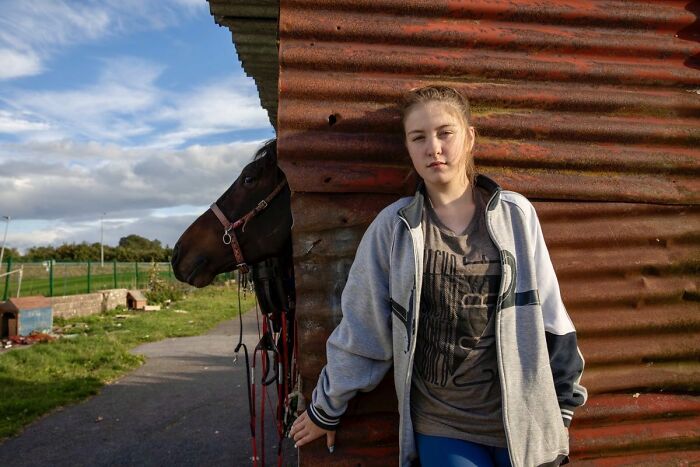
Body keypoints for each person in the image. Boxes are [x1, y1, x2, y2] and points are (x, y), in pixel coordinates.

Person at [290, 85, 587, 467]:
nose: (434, 147)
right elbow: (363, 329)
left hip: (525, 421)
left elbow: (550, 316)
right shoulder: (394, 229)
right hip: (444, 426)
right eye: (419, 137)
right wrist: (326, 408)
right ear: (408, 147)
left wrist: (561, 409)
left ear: (469, 136)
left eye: (445, 132)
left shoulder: (516, 215)